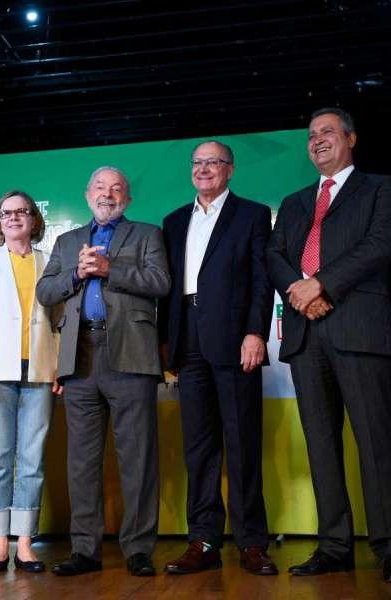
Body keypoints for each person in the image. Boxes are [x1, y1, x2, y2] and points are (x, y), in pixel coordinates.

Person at [266, 108, 391, 583]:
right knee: (322, 445)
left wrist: (322, 284)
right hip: (306, 334)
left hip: (360, 328)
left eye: (327, 132)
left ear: (351, 138)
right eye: (311, 135)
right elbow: (274, 255)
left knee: (377, 441)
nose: (318, 140)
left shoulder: (380, 188)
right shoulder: (293, 202)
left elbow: (381, 244)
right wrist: (302, 294)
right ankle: (334, 546)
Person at [36, 166, 170, 577]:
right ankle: (84, 550)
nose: (107, 194)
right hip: (79, 356)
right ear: (87, 194)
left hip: (131, 354)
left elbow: (160, 282)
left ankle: (139, 549)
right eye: (99, 187)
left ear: (127, 198)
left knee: (138, 458)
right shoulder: (68, 241)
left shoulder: (147, 234)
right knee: (82, 461)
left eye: (116, 189)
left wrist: (112, 269)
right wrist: (76, 273)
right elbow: (45, 291)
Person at [159, 141, 276, 576]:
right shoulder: (174, 221)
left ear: (230, 169)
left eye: (213, 162)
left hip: (234, 340)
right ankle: (204, 540)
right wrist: (165, 342)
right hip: (187, 342)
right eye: (198, 162)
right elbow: (167, 288)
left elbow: (262, 279)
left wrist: (255, 332)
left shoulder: (252, 215)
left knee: (243, 443)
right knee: (199, 448)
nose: (204, 169)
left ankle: (251, 542)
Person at [0, 190, 61, 574]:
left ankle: (25, 545)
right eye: (7, 213)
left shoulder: (50, 262)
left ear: (34, 220)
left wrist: (58, 368)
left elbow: (59, 321)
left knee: (32, 460)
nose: (14, 217)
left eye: (22, 212)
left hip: (40, 370)